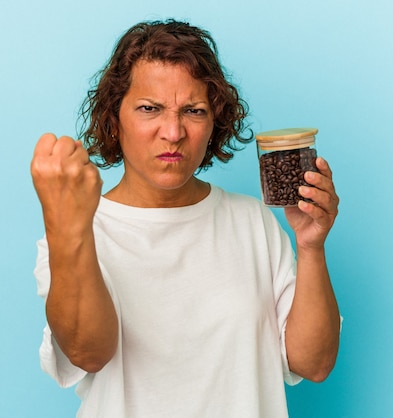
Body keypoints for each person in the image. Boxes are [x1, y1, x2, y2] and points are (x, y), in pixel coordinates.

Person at [31, 19, 340, 418]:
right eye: (149, 109)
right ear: (114, 118)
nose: (173, 132)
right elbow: (89, 352)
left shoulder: (251, 221)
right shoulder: (77, 232)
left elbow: (312, 364)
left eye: (193, 111)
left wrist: (311, 246)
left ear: (214, 123)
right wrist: (67, 224)